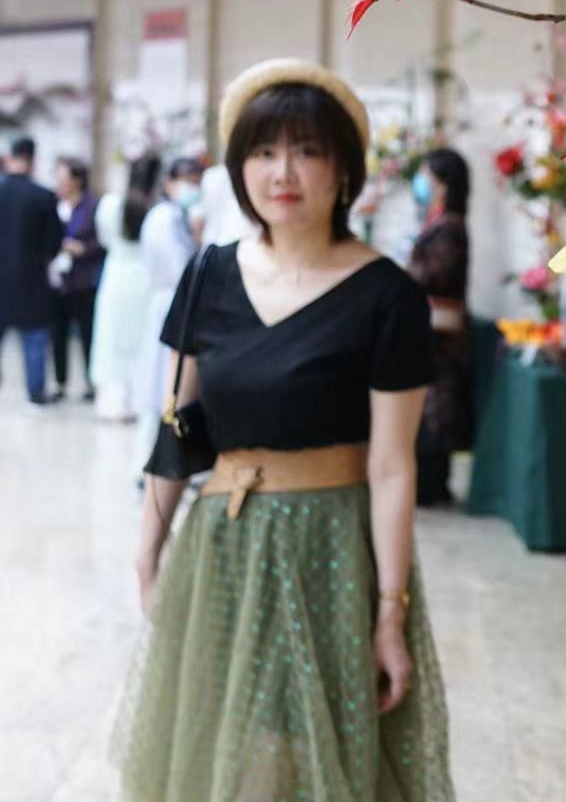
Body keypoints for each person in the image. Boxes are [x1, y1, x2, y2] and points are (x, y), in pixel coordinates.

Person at [115, 58, 453, 800]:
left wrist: (389, 612)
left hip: (331, 546)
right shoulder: (207, 277)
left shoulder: (387, 294)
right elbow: (177, 429)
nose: (283, 172)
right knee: (226, 749)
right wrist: (148, 549)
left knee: (315, 752)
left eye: (306, 150)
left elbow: (394, 466)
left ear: (343, 169)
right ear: (239, 171)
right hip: (223, 544)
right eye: (263, 153)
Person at [406, 149, 473, 507]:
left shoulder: (450, 227)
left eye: (426, 175)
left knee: (438, 409)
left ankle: (432, 483)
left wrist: (402, 275)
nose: (421, 182)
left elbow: (437, 274)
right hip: (431, 331)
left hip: (442, 335)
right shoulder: (437, 222)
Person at [131, 157, 203, 456]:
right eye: (185, 179)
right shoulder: (167, 218)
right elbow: (179, 266)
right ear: (168, 182)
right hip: (171, 301)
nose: (191, 187)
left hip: (169, 300)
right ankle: (151, 459)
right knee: (164, 385)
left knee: (163, 384)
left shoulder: (171, 215)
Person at [90, 155, 161, 423]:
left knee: (112, 336)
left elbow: (104, 238)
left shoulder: (110, 204)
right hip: (145, 277)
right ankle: (138, 399)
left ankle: (112, 401)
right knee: (140, 337)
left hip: (117, 274)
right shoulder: (156, 206)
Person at [0, 137, 64, 408]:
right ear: (33, 159)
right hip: (32, 278)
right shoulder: (43, 196)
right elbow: (54, 242)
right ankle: (35, 394)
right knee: (34, 338)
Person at [50, 156, 105, 402]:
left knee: (87, 333)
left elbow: (103, 241)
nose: (59, 184)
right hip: (58, 278)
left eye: (64, 179)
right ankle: (60, 382)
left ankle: (91, 382)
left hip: (84, 279)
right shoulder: (52, 204)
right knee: (57, 332)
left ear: (77, 180)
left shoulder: (92, 206)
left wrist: (82, 248)